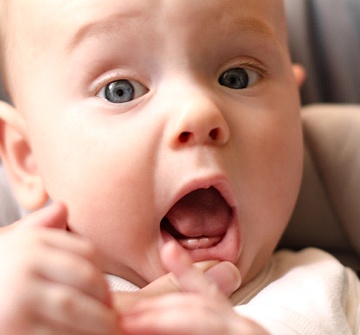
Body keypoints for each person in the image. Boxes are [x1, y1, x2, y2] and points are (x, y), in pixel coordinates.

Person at [0, 0, 358, 334]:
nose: (199, 111)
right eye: (120, 90)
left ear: (293, 107)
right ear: (26, 157)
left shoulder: (327, 292)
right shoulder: (27, 297)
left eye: (237, 77)